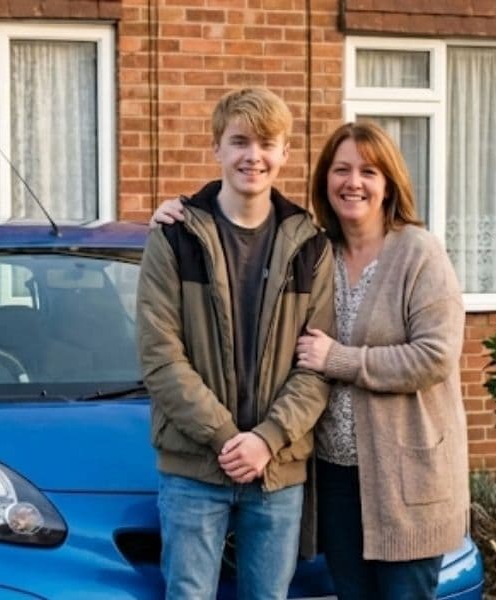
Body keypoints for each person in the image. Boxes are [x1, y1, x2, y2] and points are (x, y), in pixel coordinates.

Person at [152, 121, 469, 600]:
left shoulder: (417, 252)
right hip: (335, 476)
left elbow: (435, 356)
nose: (354, 182)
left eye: (369, 171)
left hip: (404, 479)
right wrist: (176, 209)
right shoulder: (319, 250)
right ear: (325, 179)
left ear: (389, 184)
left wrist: (338, 359)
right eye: (341, 170)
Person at [135, 87, 335, 600]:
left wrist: (266, 439)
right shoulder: (174, 238)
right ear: (217, 148)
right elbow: (161, 357)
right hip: (194, 467)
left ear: (285, 152)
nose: (254, 155)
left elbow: (317, 365)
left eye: (267, 143)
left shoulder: (310, 246)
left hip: (277, 468)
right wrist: (228, 437)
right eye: (240, 141)